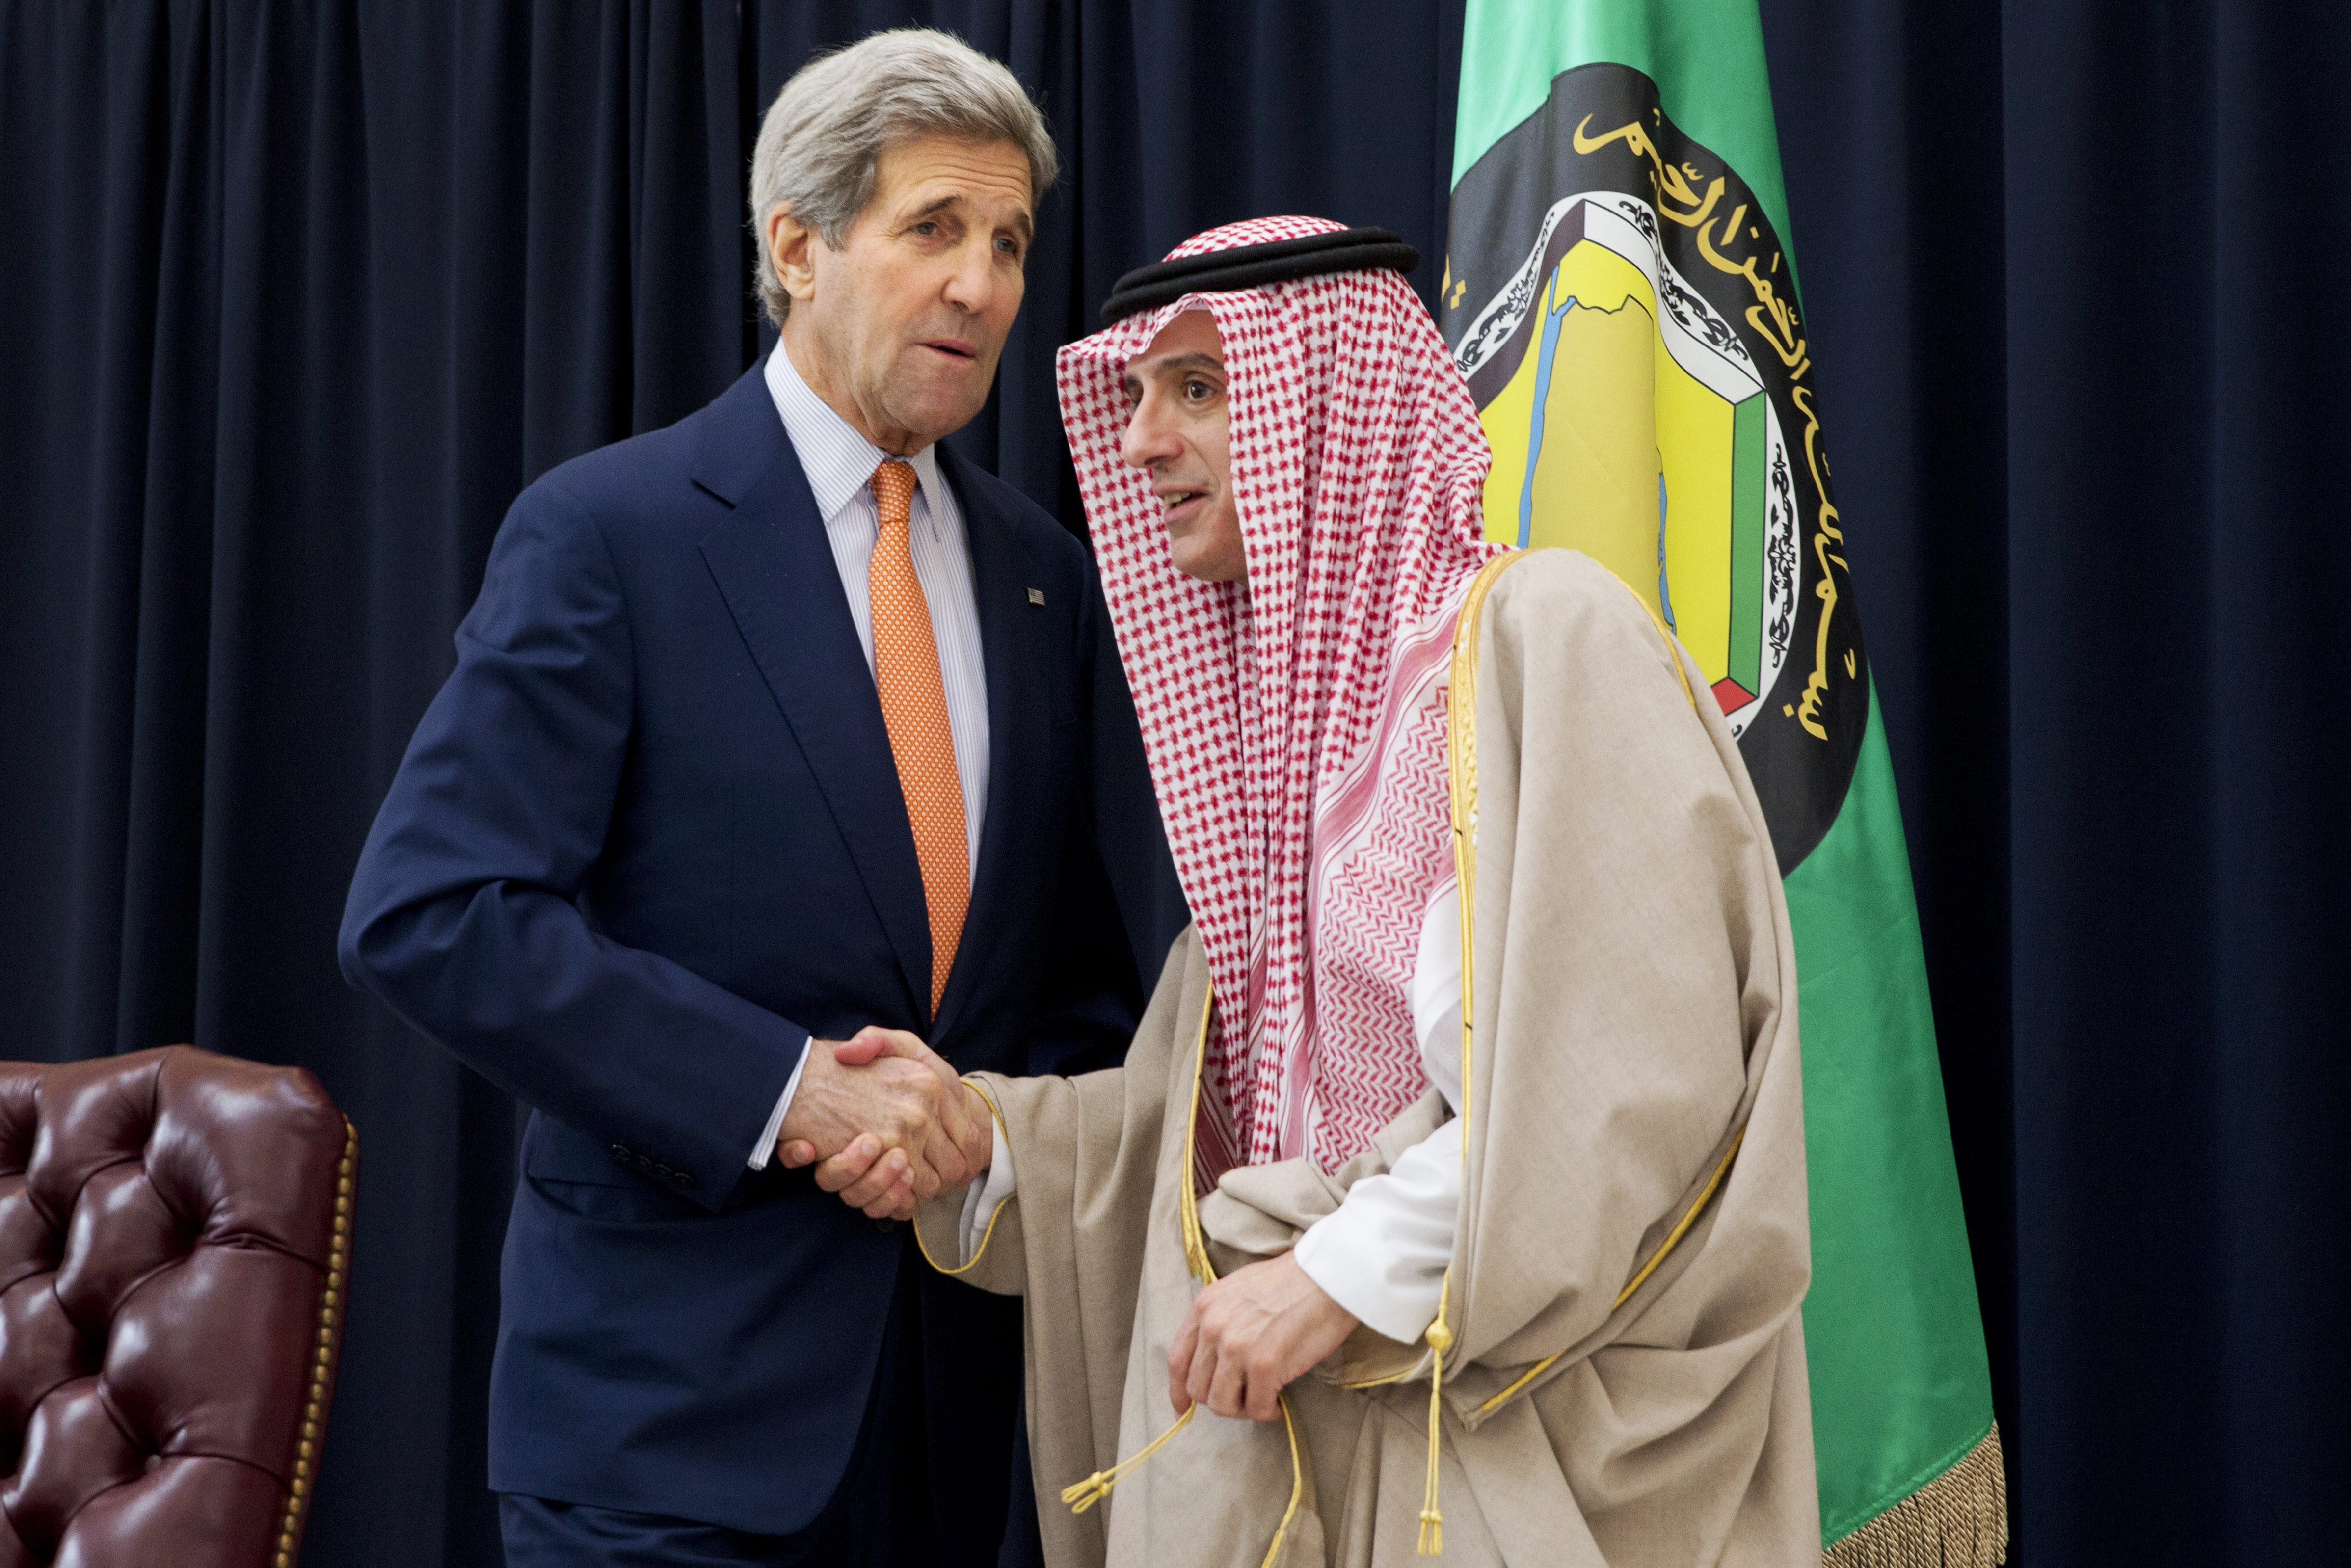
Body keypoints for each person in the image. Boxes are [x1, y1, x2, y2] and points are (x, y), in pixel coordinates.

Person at [808, 217, 1819, 1565]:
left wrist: (1337, 1277)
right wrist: (983, 1139)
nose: (1138, 442)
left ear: (1334, 406)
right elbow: (1208, 1140)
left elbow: (1629, 1082)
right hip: (1311, 1458)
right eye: (1135, 395)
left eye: (1199, 389)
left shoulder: (1541, 641)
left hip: (1503, 1458)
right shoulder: (1278, 772)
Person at [338, 29, 1153, 1568]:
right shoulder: (613, 532)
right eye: (933, 228)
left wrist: (988, 1127)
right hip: (663, 1431)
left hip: (955, 1433)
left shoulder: (1044, 575)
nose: (981, 285)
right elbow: (432, 910)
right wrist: (788, 1091)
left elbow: (1072, 985)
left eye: (1008, 242)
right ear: (797, 246)